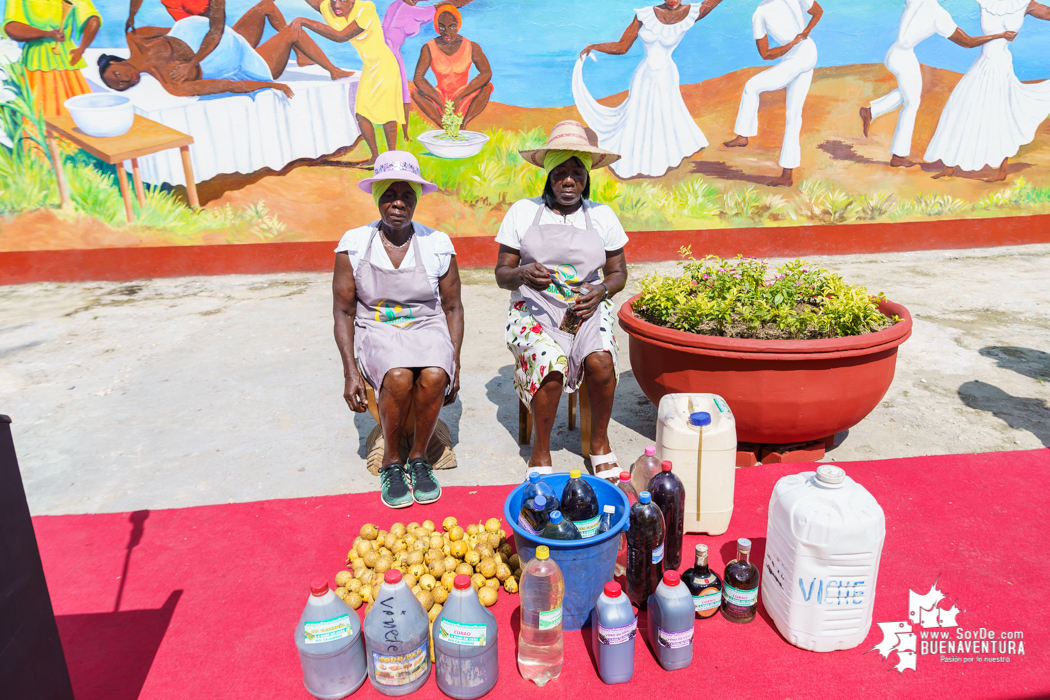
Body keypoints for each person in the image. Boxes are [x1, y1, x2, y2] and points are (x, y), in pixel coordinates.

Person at [493, 121, 629, 481]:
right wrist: (522, 274)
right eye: (561, 173)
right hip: (532, 310)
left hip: (584, 309)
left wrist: (602, 290)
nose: (569, 181)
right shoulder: (523, 212)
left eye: (577, 173)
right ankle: (540, 453)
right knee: (550, 364)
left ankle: (599, 444)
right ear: (548, 177)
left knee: (601, 361)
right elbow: (500, 273)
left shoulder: (602, 216)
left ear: (587, 179)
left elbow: (618, 273)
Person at [333, 150, 463, 508]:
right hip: (376, 325)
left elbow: (452, 306)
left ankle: (419, 458)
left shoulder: (436, 243)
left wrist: (456, 361)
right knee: (399, 375)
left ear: (416, 200)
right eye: (390, 193)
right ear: (377, 197)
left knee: (436, 373)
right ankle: (392, 460)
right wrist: (349, 373)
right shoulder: (354, 244)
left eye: (407, 195)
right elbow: (343, 310)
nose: (398, 203)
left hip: (426, 324)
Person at [574, 0, 723, 179]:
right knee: (640, 116)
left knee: (663, 116)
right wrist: (593, 47)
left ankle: (660, 157)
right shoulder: (644, 14)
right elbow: (622, 47)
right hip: (644, 76)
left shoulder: (691, 12)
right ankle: (637, 156)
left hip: (666, 76)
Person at [860, 0, 1015, 168]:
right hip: (904, 57)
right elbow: (967, 42)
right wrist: (999, 35)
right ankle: (898, 156)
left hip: (894, 54)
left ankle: (871, 111)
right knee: (912, 103)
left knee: (909, 95)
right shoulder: (938, 14)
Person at [99, 2, 352, 98]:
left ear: (116, 62)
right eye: (119, 86)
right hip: (246, 62)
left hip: (228, 40)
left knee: (266, 6)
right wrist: (271, 86)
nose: (123, 80)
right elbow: (225, 85)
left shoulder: (138, 40)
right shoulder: (173, 84)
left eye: (116, 75)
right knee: (295, 28)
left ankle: (301, 55)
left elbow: (179, 27)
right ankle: (333, 70)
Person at [923, 0, 1050, 183]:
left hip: (1000, 65)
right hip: (983, 62)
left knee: (1000, 113)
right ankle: (949, 166)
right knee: (961, 106)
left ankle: (1002, 169)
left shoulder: (1025, 4)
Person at [723, 0, 823, 188]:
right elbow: (766, 54)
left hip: (803, 54)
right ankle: (787, 174)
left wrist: (805, 33)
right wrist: (792, 43)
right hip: (796, 56)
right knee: (793, 115)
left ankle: (744, 136)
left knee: (751, 86)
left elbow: (818, 12)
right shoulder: (759, 14)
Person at [292, 0, 404, 166]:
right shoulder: (331, 7)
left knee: (388, 114)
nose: (336, 5)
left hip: (384, 65)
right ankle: (375, 158)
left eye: (342, 0)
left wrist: (305, 20)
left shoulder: (366, 8)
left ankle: (392, 157)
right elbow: (318, 4)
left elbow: (340, 36)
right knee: (362, 114)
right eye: (333, 1)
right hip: (370, 66)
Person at [381, 0, 474, 141]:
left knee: (397, 95)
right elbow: (446, 5)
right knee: (402, 95)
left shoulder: (396, 5)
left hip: (384, 53)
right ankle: (404, 136)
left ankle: (404, 135)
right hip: (391, 54)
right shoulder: (412, 11)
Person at [2, 0, 100, 117]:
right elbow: (11, 27)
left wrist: (81, 49)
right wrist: (47, 34)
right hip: (37, 61)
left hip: (62, 60)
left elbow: (93, 20)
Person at [410, 4, 493, 130]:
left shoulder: (471, 46)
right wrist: (439, 102)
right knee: (416, 94)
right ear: (437, 26)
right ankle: (445, 127)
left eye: (452, 27)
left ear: (458, 25)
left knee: (487, 87)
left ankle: (463, 125)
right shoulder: (429, 47)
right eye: (442, 27)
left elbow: (486, 73)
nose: (447, 32)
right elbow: (418, 78)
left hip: (464, 96)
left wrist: (460, 97)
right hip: (440, 97)